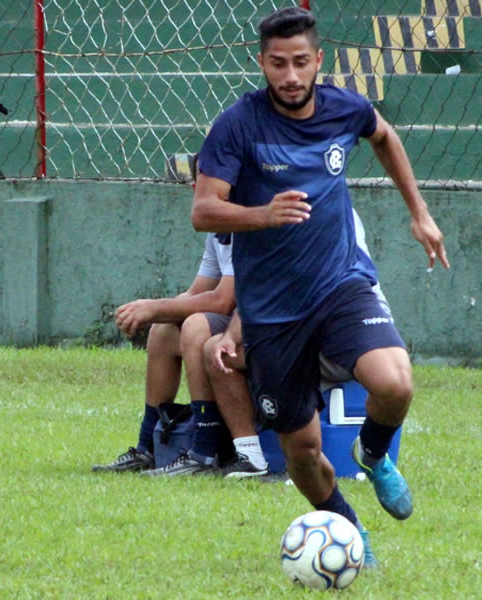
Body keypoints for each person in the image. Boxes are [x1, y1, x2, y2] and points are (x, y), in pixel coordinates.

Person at [190, 6, 448, 564]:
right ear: (261, 63)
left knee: (396, 383)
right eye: (278, 64)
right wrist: (263, 214)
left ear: (318, 62)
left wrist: (419, 212)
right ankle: (352, 534)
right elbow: (203, 210)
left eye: (300, 63)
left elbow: (384, 136)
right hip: (273, 313)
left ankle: (375, 453)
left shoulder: (343, 107)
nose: (289, 76)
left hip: (339, 285)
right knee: (303, 453)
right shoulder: (238, 125)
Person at [205, 209, 391, 481]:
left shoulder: (314, 214)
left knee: (279, 351)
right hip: (329, 331)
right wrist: (232, 336)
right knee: (222, 349)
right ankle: (252, 458)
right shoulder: (279, 211)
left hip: (347, 333)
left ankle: (291, 462)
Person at [93, 155, 236, 473]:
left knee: (196, 326)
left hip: (261, 323)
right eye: (200, 184)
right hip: (234, 320)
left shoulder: (249, 221)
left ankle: (204, 454)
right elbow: (197, 292)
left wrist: (155, 307)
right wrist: (152, 312)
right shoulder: (217, 232)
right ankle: (148, 448)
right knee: (164, 330)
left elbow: (224, 301)